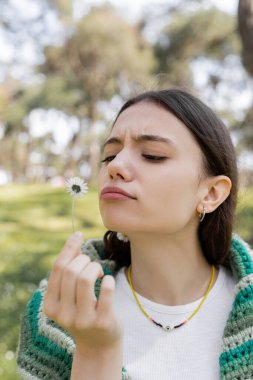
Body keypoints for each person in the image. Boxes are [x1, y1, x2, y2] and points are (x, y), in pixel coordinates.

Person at [17, 89, 253, 380]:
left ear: (211, 193)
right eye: (110, 155)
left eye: (153, 155)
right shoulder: (55, 314)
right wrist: (94, 352)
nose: (115, 166)